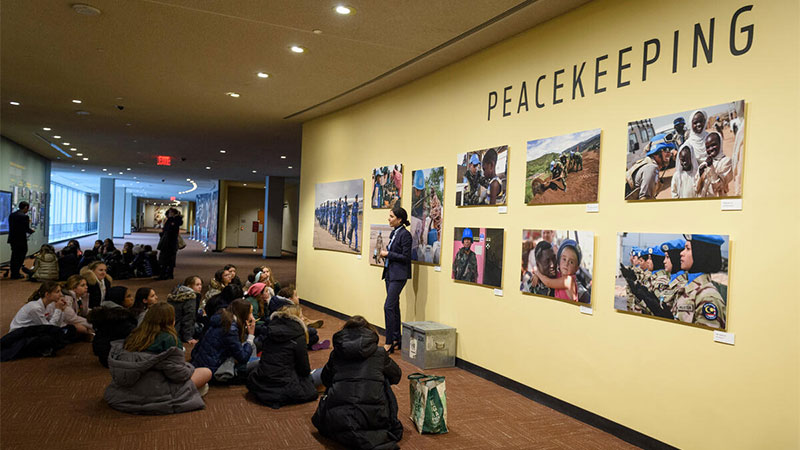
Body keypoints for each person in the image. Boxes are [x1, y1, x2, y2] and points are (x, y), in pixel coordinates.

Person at [311, 316, 403, 450]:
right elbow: (397, 377)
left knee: (336, 382)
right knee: (384, 379)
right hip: (373, 418)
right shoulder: (379, 353)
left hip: (339, 419)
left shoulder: (336, 354)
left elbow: (326, 380)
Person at [104, 303, 211, 414]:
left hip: (131, 385)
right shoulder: (170, 339)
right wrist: (190, 368)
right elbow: (178, 375)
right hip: (157, 388)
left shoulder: (134, 335)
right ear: (170, 320)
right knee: (206, 372)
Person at [246, 305, 319, 409]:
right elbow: (304, 369)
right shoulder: (298, 336)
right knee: (313, 380)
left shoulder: (270, 330)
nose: (303, 319)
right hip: (282, 386)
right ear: (296, 317)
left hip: (261, 382)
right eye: (301, 316)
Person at [1, 281, 76, 360]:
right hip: (21, 335)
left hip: (35, 332)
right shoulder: (35, 308)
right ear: (47, 294)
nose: (61, 294)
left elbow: (56, 326)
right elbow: (48, 328)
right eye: (57, 292)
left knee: (71, 329)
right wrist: (58, 310)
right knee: (48, 339)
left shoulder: (49, 305)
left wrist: (62, 310)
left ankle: (46, 347)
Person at [191, 299, 256, 383]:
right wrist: (251, 335)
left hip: (202, 362)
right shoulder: (231, 328)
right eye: (250, 312)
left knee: (251, 346)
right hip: (215, 369)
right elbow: (242, 357)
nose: (252, 316)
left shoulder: (223, 318)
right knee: (257, 362)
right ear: (243, 313)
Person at [673, 234, 727, 328]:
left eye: (688, 249)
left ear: (700, 254)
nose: (681, 253)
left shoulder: (708, 297)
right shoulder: (688, 288)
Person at [380, 206, 412, 353]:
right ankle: (396, 338)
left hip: (399, 275)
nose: (389, 218)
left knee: (388, 306)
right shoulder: (394, 233)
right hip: (390, 273)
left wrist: (388, 254)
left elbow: (406, 258)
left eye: (392, 216)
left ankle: (388, 342)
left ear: (399, 219)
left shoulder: (405, 235)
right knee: (394, 307)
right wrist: (386, 254)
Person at [87, 286, 138, 367]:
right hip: (113, 355)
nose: (132, 298)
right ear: (119, 299)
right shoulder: (118, 318)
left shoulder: (105, 313)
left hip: (106, 353)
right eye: (128, 296)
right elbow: (135, 332)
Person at [695, 131, 734, 197]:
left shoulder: (726, 162)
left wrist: (711, 167)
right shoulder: (706, 163)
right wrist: (700, 174)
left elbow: (719, 187)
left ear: (720, 144)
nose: (710, 149)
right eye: (707, 147)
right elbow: (696, 187)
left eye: (713, 145)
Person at [167, 276, 202, 344]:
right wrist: (188, 337)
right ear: (189, 286)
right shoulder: (191, 297)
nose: (200, 287)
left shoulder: (176, 292)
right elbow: (189, 317)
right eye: (197, 285)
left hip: (171, 328)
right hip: (178, 329)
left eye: (201, 284)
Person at [7, 201, 35, 279]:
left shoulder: (12, 215)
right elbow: (26, 229)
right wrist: (31, 231)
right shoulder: (24, 217)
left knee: (14, 255)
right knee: (21, 256)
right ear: (25, 207)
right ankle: (16, 273)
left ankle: (14, 272)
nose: (28, 210)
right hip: (21, 239)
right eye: (28, 208)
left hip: (13, 239)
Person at [157, 207, 182, 280]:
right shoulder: (172, 220)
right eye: (169, 213)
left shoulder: (174, 220)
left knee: (166, 258)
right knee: (170, 259)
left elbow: (169, 231)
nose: (170, 214)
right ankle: (168, 274)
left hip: (169, 242)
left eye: (171, 213)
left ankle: (164, 274)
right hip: (170, 242)